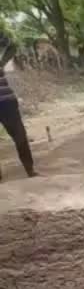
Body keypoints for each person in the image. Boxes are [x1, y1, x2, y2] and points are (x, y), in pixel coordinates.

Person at [0, 35, 37, 182]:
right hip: (7, 103)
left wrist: (2, 62)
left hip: (8, 103)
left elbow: (12, 45)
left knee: (20, 136)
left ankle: (30, 169)